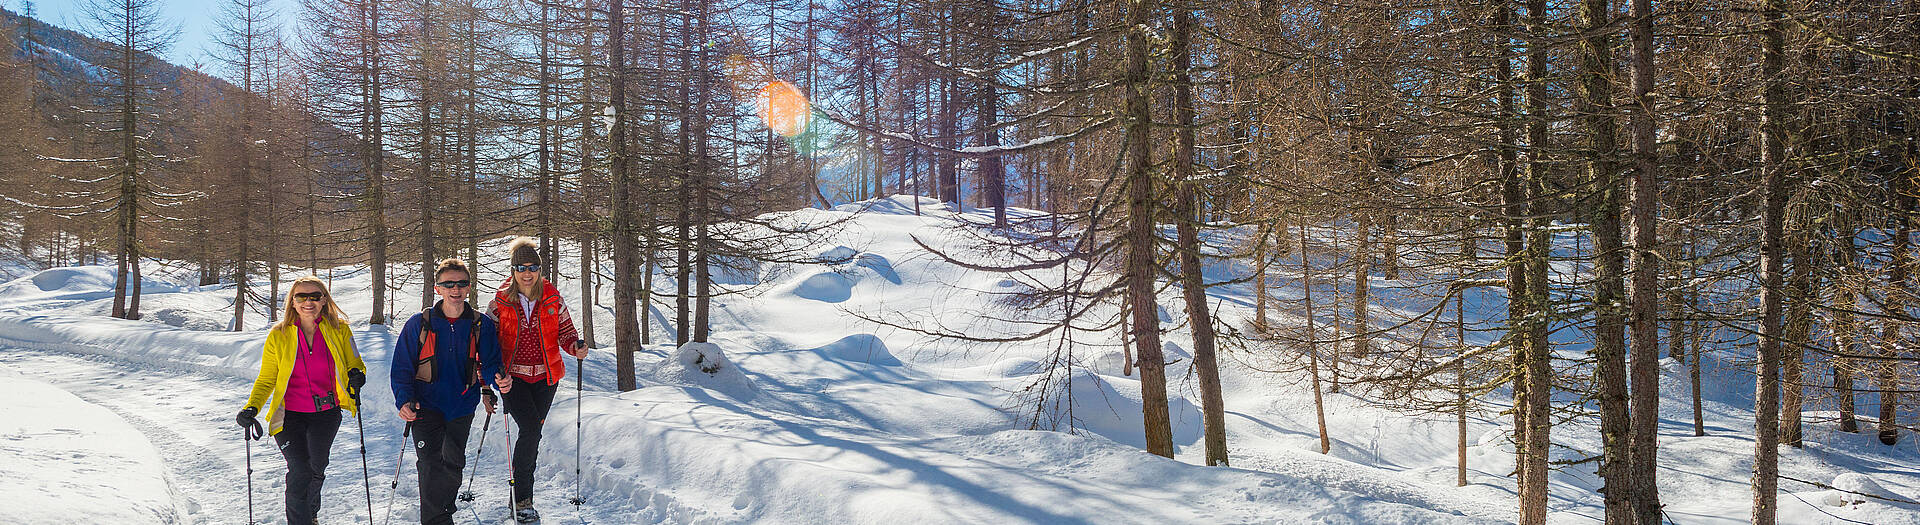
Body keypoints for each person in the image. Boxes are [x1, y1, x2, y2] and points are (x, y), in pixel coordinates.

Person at [236, 276, 369, 525]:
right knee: (300, 471)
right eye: (302, 297)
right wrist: (251, 406)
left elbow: (355, 362)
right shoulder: (279, 335)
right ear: (293, 302)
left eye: (315, 296)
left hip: (326, 413)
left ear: (324, 300)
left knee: (316, 468)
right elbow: (267, 378)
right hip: (289, 416)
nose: (309, 301)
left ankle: (311, 513)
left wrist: (357, 375)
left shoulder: (340, 329)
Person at [391, 258, 512, 525]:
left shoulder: (480, 325)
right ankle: (438, 520)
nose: (455, 289)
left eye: (461, 283)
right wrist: (404, 400)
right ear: (438, 288)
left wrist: (499, 378)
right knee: (431, 463)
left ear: (469, 287)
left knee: (453, 464)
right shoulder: (419, 324)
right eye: (449, 284)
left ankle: (444, 509)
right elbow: (401, 367)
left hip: (461, 405)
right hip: (425, 406)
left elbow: (491, 361)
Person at [487, 237, 588, 522]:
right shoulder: (499, 301)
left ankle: (517, 497)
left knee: (532, 433)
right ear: (513, 270)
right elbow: (487, 342)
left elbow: (566, 332)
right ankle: (522, 500)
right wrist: (492, 378)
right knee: (531, 430)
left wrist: (576, 347)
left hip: (546, 378)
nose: (527, 272)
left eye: (533, 267)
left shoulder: (553, 297)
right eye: (521, 267)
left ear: (540, 269)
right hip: (513, 377)